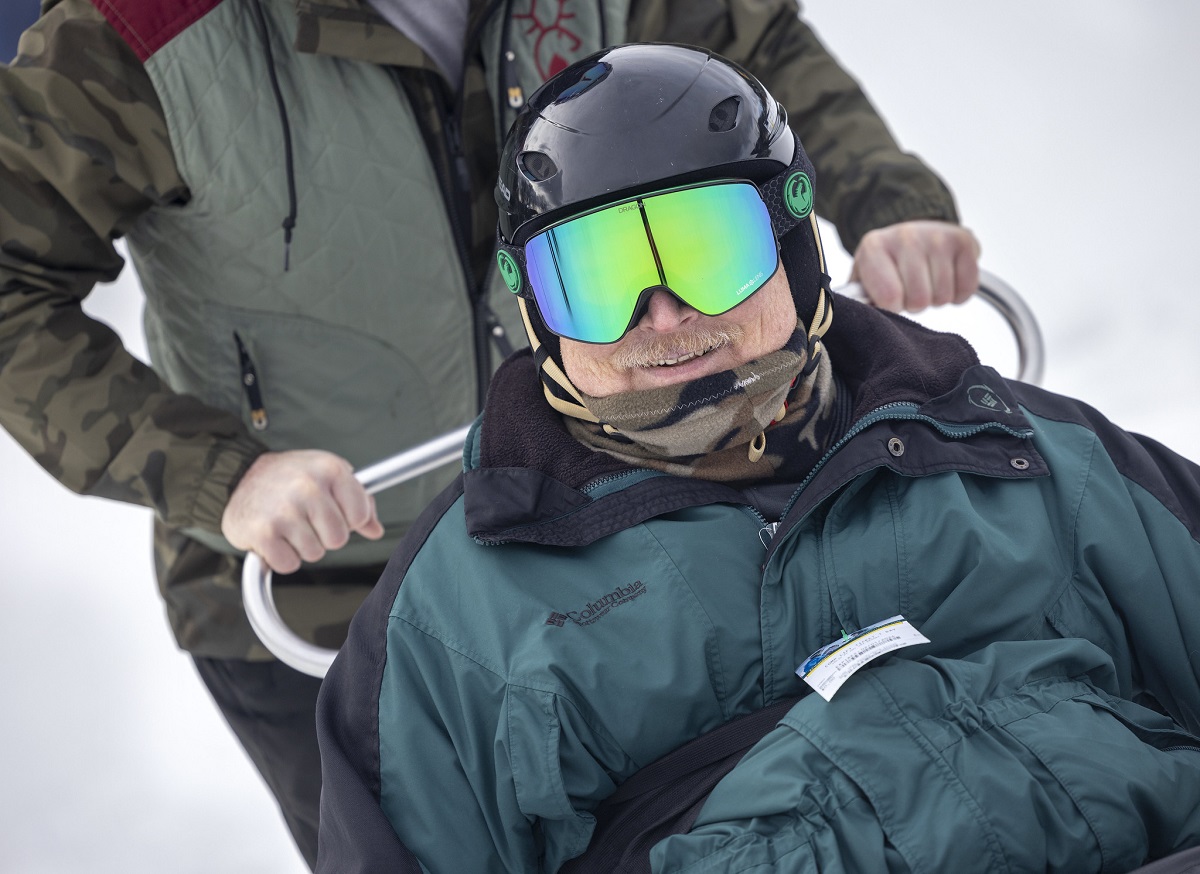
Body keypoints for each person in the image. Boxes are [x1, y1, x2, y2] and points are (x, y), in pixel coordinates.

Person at [0, 0, 977, 867]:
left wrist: (883, 196)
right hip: (330, 592)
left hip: (608, 522)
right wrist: (221, 477)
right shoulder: (143, 27)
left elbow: (750, 41)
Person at [315, 44, 1200, 873]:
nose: (661, 316)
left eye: (706, 250)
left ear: (793, 244)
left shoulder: (1025, 458)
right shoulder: (456, 620)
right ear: (536, 310)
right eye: (596, 278)